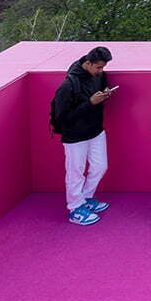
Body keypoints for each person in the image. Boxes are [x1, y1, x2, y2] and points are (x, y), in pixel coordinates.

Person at [51, 46, 115, 226]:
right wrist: (90, 103)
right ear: (88, 63)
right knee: (75, 172)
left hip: (95, 130)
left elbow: (102, 88)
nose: (101, 71)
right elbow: (61, 118)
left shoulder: (99, 75)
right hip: (74, 136)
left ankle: (85, 198)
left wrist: (106, 94)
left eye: (103, 67)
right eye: (99, 67)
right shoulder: (68, 85)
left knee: (100, 166)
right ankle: (74, 207)